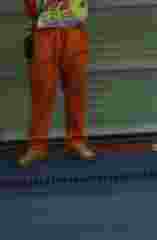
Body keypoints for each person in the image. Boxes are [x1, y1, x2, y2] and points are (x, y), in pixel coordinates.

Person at [18, 0, 96, 168]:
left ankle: (76, 141)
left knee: (76, 89)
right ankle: (37, 145)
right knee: (42, 91)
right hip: (44, 32)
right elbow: (31, 8)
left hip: (74, 30)